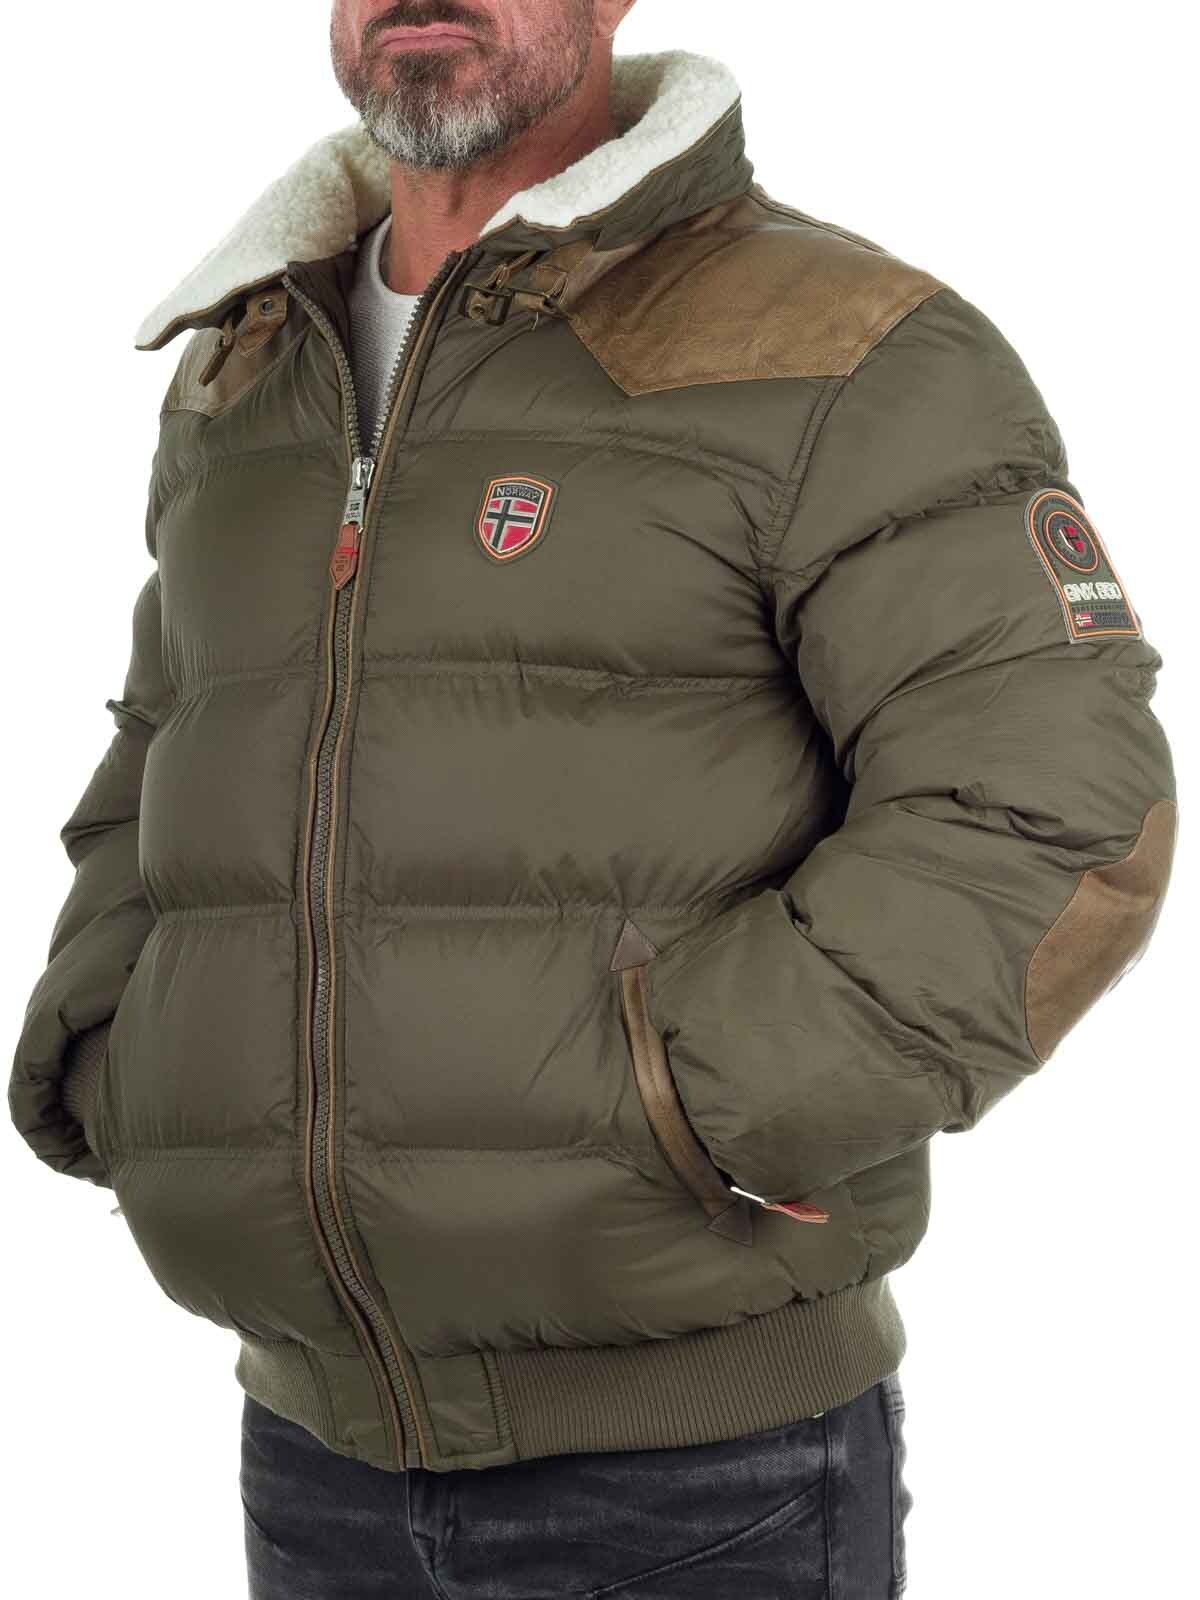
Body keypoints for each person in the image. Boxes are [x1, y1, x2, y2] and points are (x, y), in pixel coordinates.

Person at [8, 2, 1177, 1595]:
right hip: (311, 1446)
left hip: (701, 1477)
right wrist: (112, 1041)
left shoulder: (842, 344)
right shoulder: (252, 359)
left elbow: (1053, 801)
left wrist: (693, 1109)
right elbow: (167, 743)